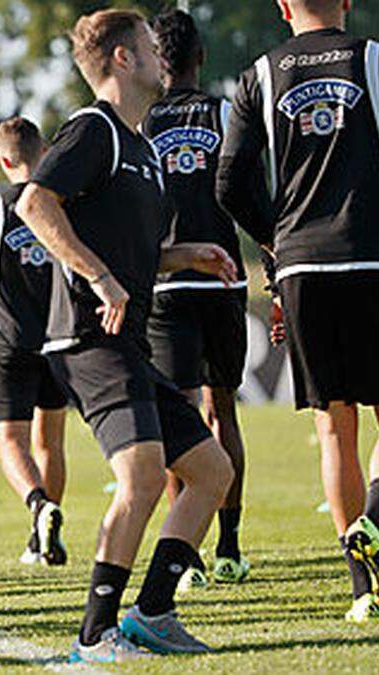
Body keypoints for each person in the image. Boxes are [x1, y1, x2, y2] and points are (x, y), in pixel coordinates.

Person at [217, 0, 379, 621]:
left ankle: (365, 591)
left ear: (283, 8)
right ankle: (377, 522)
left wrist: (278, 244)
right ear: (348, 4)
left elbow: (228, 183)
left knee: (334, 433)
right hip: (373, 259)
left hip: (304, 268)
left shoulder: (259, 73)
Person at [16, 9, 237, 661]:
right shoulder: (95, 129)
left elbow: (124, 241)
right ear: (121, 59)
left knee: (210, 470)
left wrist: (182, 254)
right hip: (88, 337)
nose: (160, 57)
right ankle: (95, 633)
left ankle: (153, 612)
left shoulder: (141, 146)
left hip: (126, 341)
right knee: (142, 473)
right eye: (147, 46)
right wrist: (102, 277)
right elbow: (34, 203)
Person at [143, 9, 250, 588]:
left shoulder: (141, 120)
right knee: (223, 409)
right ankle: (231, 545)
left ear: (158, 63)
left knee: (177, 422)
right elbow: (248, 186)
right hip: (225, 278)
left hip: (165, 283)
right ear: (201, 58)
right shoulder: (226, 110)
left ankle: (188, 559)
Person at [0, 117, 68, 566]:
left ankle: (39, 506)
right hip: (58, 335)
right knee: (51, 441)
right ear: (42, 153)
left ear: (2, 160)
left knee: (10, 441)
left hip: (9, 339)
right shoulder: (57, 200)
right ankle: (43, 540)